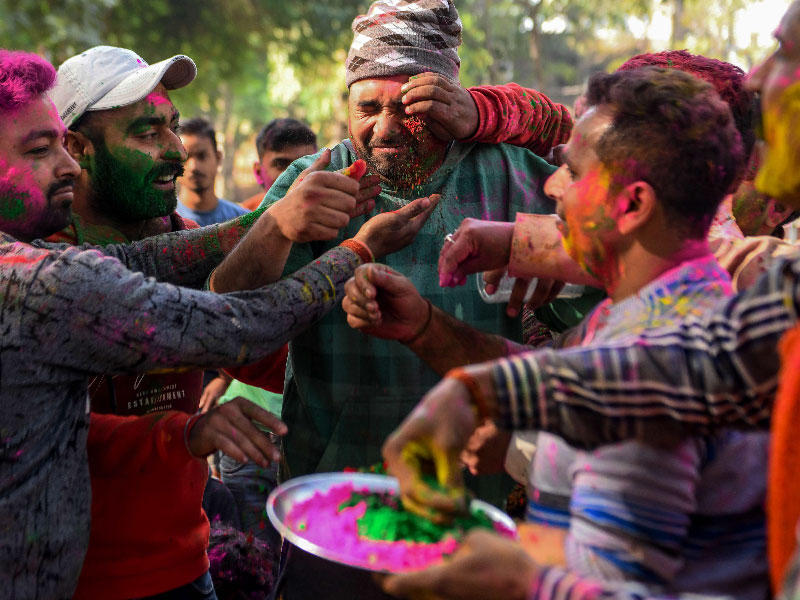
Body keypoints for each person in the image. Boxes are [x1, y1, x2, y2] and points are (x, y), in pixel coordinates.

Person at [376, 3, 800, 597]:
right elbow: (687, 367)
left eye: (785, 51)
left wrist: (525, 583)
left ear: (632, 205)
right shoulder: (667, 314)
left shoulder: (661, 325)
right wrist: (479, 388)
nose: (549, 185)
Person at [0, 48, 435, 599]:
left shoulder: (171, 240)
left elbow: (246, 347)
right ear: (83, 150)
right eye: (145, 132)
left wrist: (280, 227)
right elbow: (234, 327)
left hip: (185, 563)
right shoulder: (41, 273)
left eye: (174, 128)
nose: (175, 151)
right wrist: (353, 248)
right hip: (86, 578)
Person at [218, 0, 573, 494]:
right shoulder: (311, 180)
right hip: (331, 487)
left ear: (449, 103)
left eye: (408, 110)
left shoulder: (514, 177)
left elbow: (598, 315)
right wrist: (278, 225)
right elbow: (226, 317)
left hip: (474, 494)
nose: (384, 129)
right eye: (366, 109)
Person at [177, 117, 248, 226]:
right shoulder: (162, 223)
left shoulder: (243, 222)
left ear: (218, 158)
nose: (194, 166)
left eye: (202, 156)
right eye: (185, 158)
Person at [242, 118, 319, 211]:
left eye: (305, 164)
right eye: (281, 164)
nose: (295, 176)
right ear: (258, 173)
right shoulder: (240, 218)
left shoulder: (338, 215)